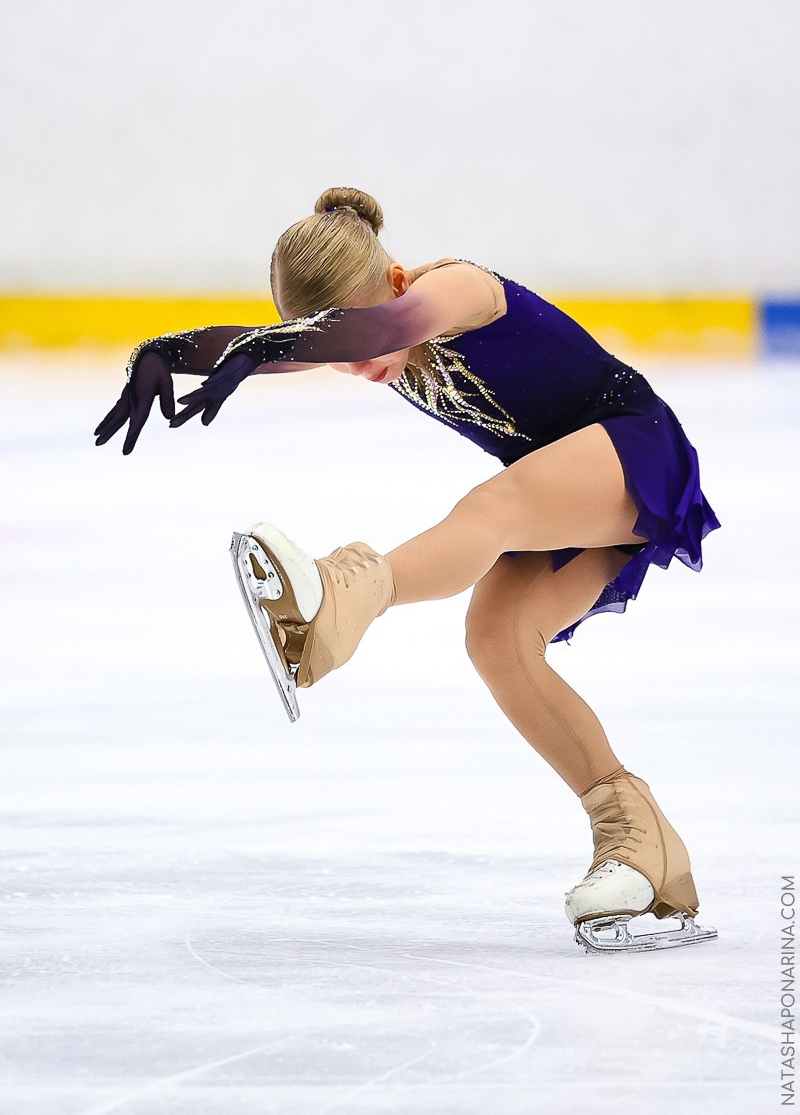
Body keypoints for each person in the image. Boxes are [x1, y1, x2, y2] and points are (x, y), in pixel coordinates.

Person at [95, 186, 720, 953]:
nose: (357, 366)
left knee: (493, 508)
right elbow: (318, 338)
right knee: (497, 639)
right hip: (564, 480)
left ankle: (343, 593)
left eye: (355, 344)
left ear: (393, 283)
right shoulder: (371, 335)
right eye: (339, 352)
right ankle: (644, 847)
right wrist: (161, 351)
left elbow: (386, 328)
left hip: (631, 445)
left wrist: (271, 347)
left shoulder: (450, 289)